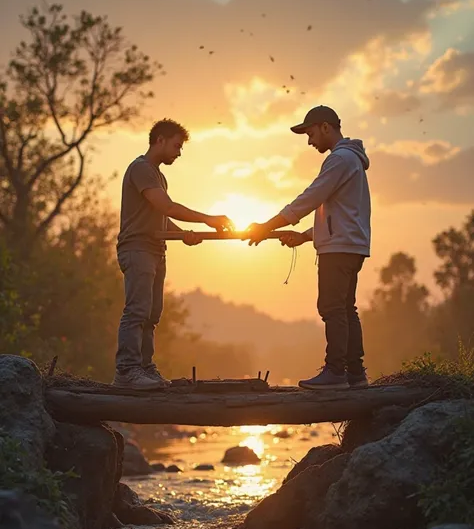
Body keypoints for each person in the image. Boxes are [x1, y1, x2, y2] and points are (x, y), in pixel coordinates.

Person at [246, 106, 371, 390]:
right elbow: (343, 214)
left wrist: (267, 226)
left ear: (326, 127)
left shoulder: (340, 160)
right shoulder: (352, 162)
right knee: (345, 308)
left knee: (331, 307)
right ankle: (355, 374)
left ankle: (336, 372)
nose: (309, 140)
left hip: (339, 249)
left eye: (311, 133)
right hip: (351, 245)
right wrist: (304, 236)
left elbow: (309, 199)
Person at [114, 118, 232, 389]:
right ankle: (127, 371)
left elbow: (162, 218)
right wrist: (207, 219)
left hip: (156, 250)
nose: (179, 153)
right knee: (137, 311)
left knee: (152, 315)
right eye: (177, 147)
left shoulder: (158, 175)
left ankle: (144, 368)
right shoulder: (141, 169)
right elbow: (165, 206)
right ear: (160, 141)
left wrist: (184, 235)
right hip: (138, 249)